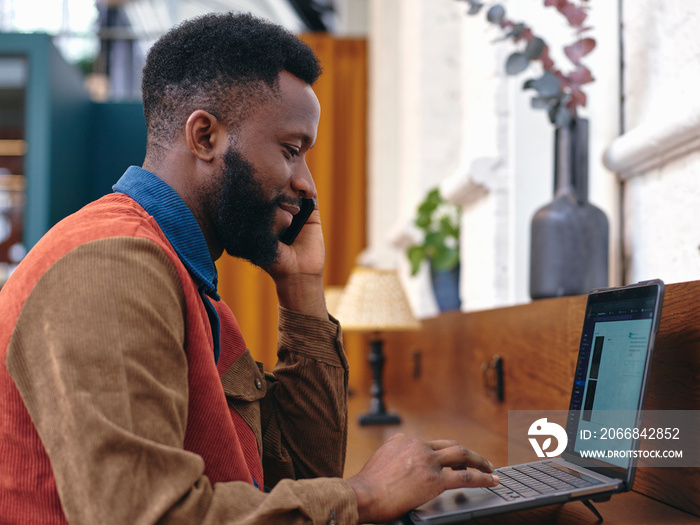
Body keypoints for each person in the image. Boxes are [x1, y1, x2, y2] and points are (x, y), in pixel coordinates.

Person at [0, 12, 498, 524]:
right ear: (205, 137)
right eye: (290, 150)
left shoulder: (182, 275)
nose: (307, 184)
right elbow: (146, 516)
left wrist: (302, 287)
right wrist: (364, 494)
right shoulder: (110, 265)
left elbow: (302, 476)